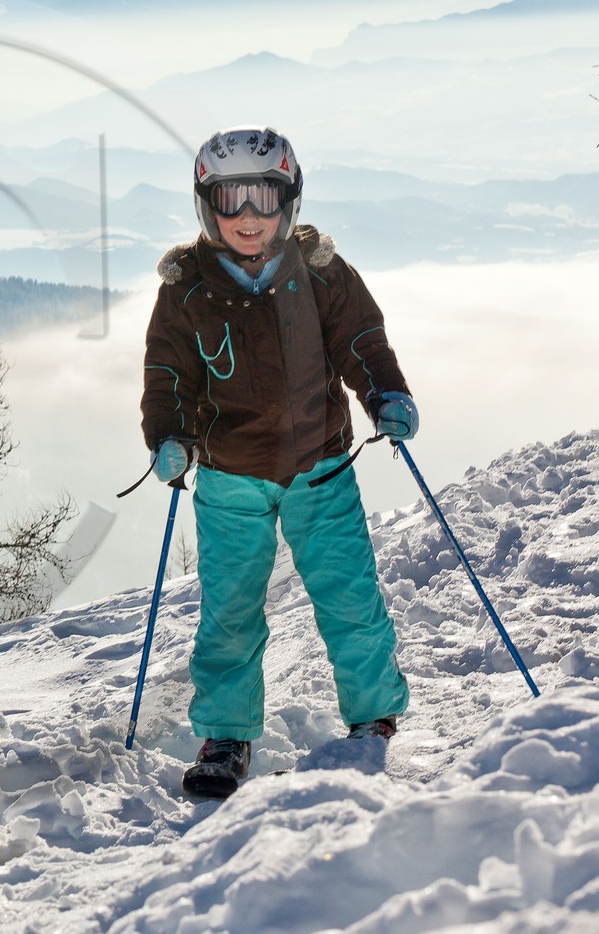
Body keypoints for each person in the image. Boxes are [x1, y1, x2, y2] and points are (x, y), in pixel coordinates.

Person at [141, 125, 417, 799]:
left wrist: (386, 393)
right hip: (231, 472)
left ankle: (372, 718)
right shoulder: (187, 288)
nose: (247, 217)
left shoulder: (319, 271)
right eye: (230, 199)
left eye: (263, 199)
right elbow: (167, 373)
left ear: (288, 199)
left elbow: (362, 341)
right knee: (230, 610)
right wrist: (168, 437)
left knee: (348, 594)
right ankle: (227, 735)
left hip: (318, 463)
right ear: (207, 204)